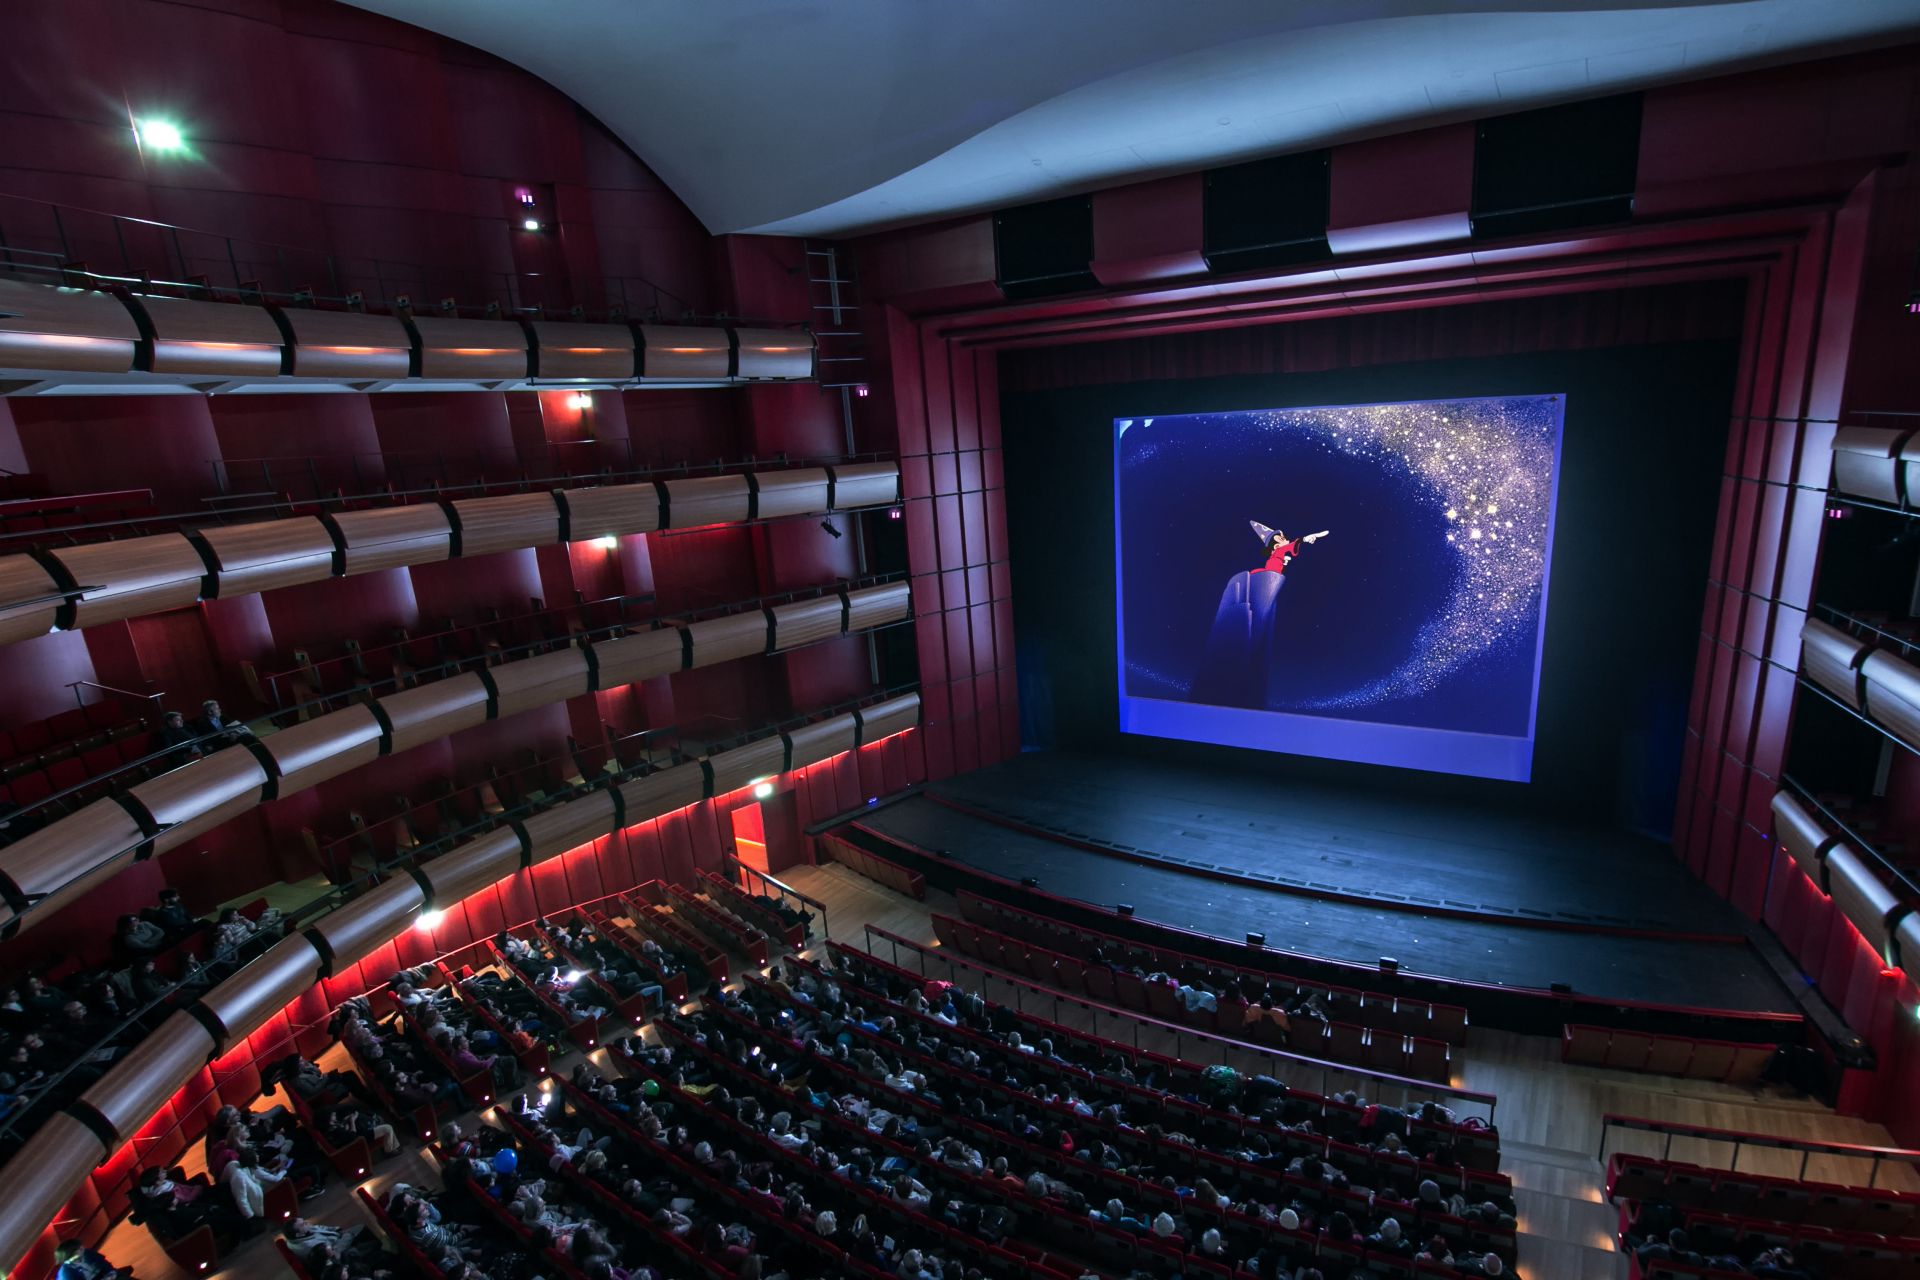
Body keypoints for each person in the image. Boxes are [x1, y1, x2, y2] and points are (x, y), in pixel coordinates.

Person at [52, 1240, 128, 1280]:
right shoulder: (66, 1274)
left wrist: (111, 1273)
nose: (82, 1249)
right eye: (79, 1249)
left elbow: (104, 1264)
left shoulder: (86, 1252)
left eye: (81, 1248)